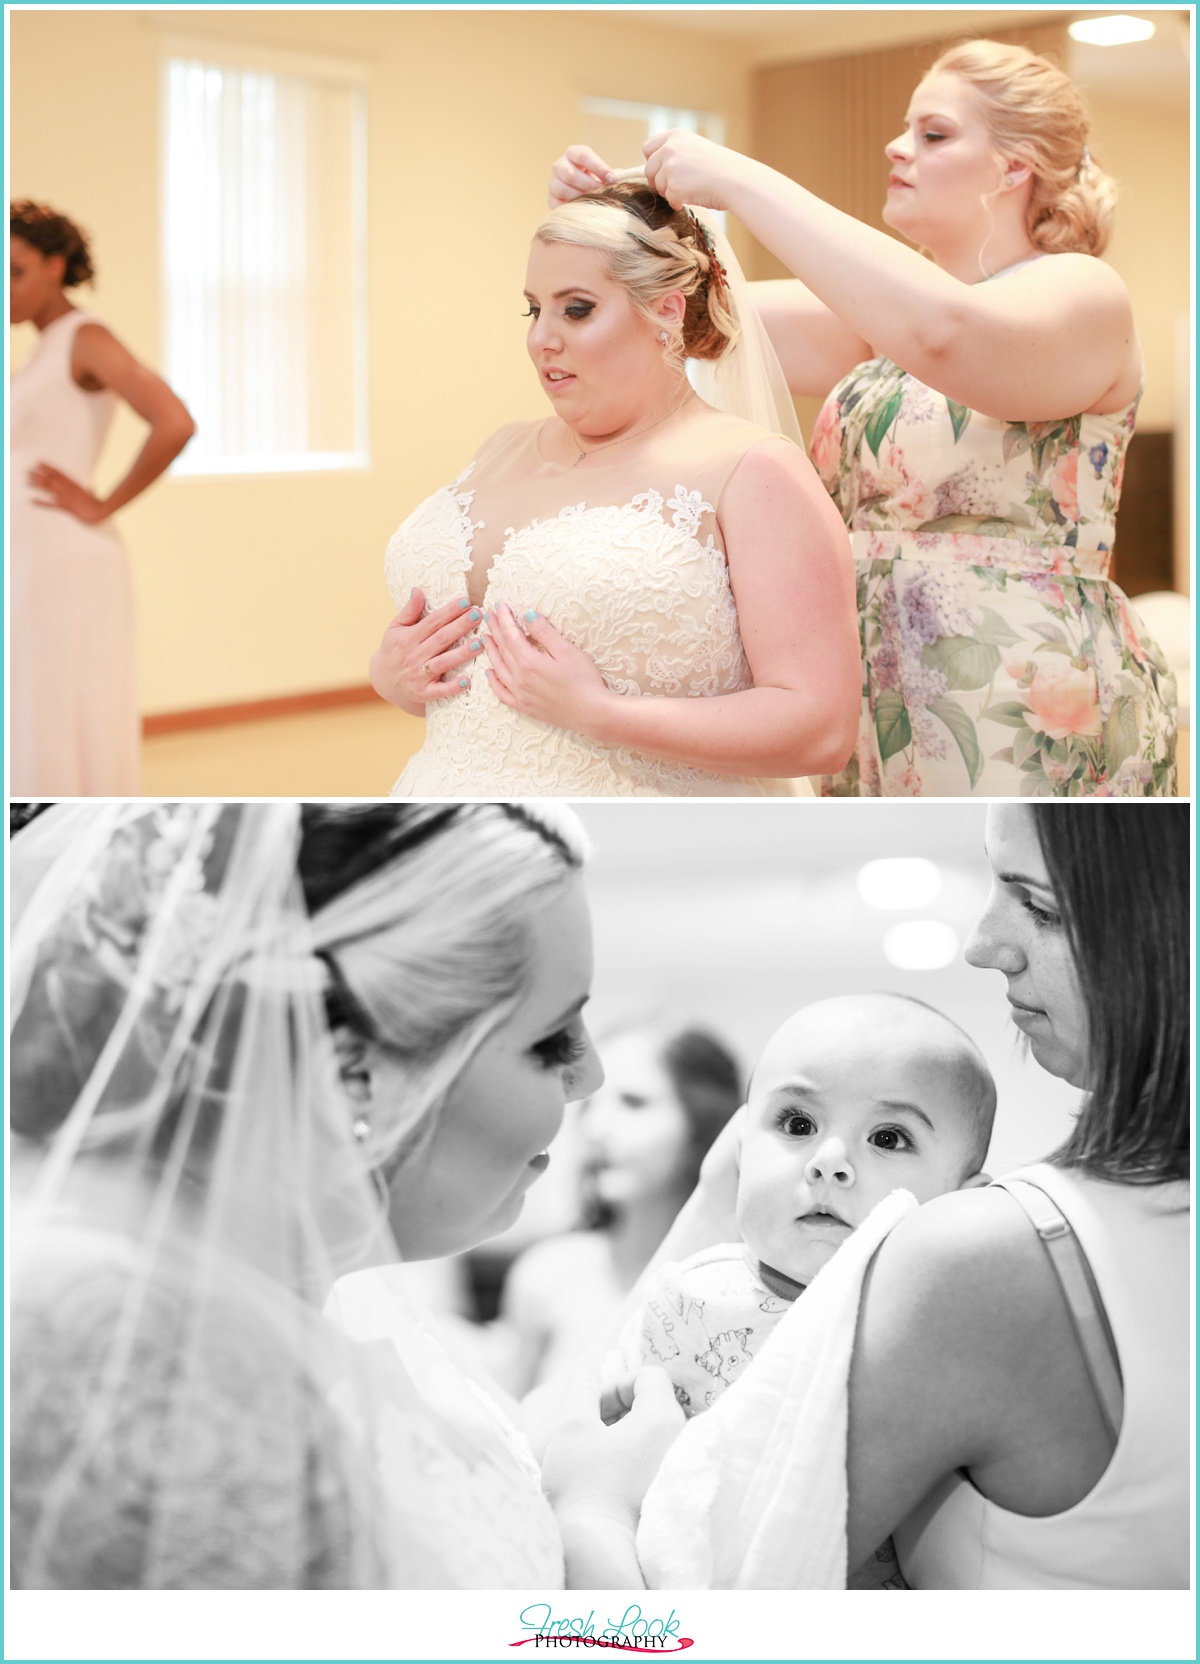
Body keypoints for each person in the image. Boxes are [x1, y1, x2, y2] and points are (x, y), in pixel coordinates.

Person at [8, 802, 682, 1590]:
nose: (588, 1077)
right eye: (548, 1040)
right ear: (348, 1071)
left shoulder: (333, 1306)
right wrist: (592, 1515)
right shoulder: (155, 1374)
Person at [551, 41, 1178, 797]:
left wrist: (739, 181)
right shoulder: (875, 322)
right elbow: (683, 322)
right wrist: (613, 224)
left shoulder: (1082, 294)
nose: (897, 146)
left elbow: (950, 338)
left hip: (1026, 700)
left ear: (1016, 168)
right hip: (870, 696)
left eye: (933, 134)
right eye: (904, 129)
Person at [618, 804, 1188, 1588]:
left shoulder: (979, 1257)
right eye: (794, 1121)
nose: (984, 944)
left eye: (1041, 905)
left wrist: (585, 1496)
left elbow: (698, 1606)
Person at [369, 179, 859, 797]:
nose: (542, 337)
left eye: (576, 309)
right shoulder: (500, 448)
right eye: (534, 308)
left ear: (667, 313)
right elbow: (482, 690)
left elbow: (821, 730)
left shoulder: (753, 470)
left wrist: (603, 715)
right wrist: (394, 676)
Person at [621, 994, 995, 1417]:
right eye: (799, 1125)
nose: (829, 1161)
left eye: (887, 1138)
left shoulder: (952, 1339)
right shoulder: (683, 1301)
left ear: (960, 1203)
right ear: (741, 1159)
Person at [9, 202, 196, 796]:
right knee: (36, 707)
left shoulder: (83, 338)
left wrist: (102, 504)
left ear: (56, 267)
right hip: (29, 560)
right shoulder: (41, 349)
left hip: (60, 559)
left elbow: (173, 421)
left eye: (15, 271)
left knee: (58, 709)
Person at [501, 1022, 741, 1393]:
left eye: (633, 1102)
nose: (597, 1128)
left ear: (701, 1121)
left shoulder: (744, 1287)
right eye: (589, 1106)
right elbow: (511, 1432)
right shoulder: (544, 1278)